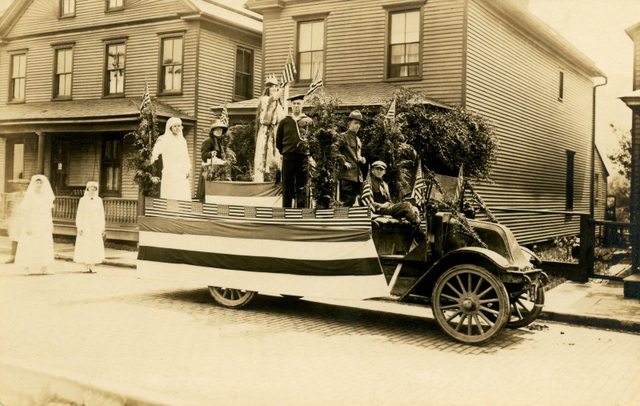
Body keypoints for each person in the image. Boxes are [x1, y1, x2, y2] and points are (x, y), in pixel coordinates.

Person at [276, 99, 314, 207]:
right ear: (291, 105)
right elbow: (278, 140)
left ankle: (301, 211)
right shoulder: (285, 121)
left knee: (302, 185)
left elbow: (312, 140)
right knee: (287, 184)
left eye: (298, 103)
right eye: (294, 104)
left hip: (303, 156)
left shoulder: (308, 121)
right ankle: (286, 210)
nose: (296, 106)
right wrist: (284, 151)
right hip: (288, 156)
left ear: (302, 105)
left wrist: (310, 154)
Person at [14, 175, 55, 275]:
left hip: (43, 223)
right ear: (33, 184)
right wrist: (27, 225)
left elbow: (48, 212)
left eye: (41, 183)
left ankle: (44, 267)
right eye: (37, 182)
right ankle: (26, 268)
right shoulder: (29, 196)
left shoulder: (46, 197)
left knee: (44, 244)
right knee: (29, 244)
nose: (39, 184)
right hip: (32, 222)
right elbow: (25, 212)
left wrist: (50, 224)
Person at [369, 161, 422, 229]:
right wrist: (382, 206)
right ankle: (419, 231)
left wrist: (389, 204)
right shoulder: (368, 183)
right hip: (378, 209)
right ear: (372, 171)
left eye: (381, 169)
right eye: (377, 169)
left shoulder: (385, 185)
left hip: (387, 208)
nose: (379, 171)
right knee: (407, 205)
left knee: (414, 208)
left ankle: (414, 232)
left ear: (384, 172)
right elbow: (367, 202)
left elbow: (389, 200)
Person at [150, 117, 192, 200]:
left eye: (179, 126)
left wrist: (187, 168)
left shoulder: (183, 141)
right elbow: (155, 152)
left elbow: (186, 156)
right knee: (171, 193)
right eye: (175, 126)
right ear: (170, 128)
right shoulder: (163, 139)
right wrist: (151, 160)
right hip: (170, 171)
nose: (177, 128)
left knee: (182, 194)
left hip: (181, 171)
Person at [254, 74, 286, 182]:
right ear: (267, 89)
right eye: (271, 86)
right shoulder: (265, 99)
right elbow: (273, 98)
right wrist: (283, 87)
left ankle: (276, 180)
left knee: (277, 154)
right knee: (265, 154)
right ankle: (262, 179)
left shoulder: (279, 104)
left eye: (275, 86)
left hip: (276, 130)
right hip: (266, 131)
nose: (273, 88)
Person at [73, 181, 105, 273]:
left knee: (94, 245)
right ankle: (85, 265)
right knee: (85, 244)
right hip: (85, 225)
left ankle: (92, 265)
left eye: (94, 189)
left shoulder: (99, 200)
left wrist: (102, 227)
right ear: (87, 189)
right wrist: (80, 227)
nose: (92, 191)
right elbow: (79, 214)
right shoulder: (83, 200)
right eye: (91, 189)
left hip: (95, 225)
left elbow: (101, 214)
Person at [197, 119, 232, 200]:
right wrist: (210, 154)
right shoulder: (208, 141)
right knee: (208, 191)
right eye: (217, 130)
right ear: (212, 131)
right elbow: (203, 155)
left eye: (220, 130)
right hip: (209, 169)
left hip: (217, 170)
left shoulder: (219, 142)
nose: (219, 131)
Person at [337, 110, 367, 206]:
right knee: (346, 202)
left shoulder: (358, 140)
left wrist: (362, 158)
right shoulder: (342, 136)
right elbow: (334, 150)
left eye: (359, 124)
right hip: (346, 175)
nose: (358, 126)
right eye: (355, 123)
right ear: (349, 123)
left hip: (357, 176)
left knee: (355, 202)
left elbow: (356, 155)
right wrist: (343, 161)